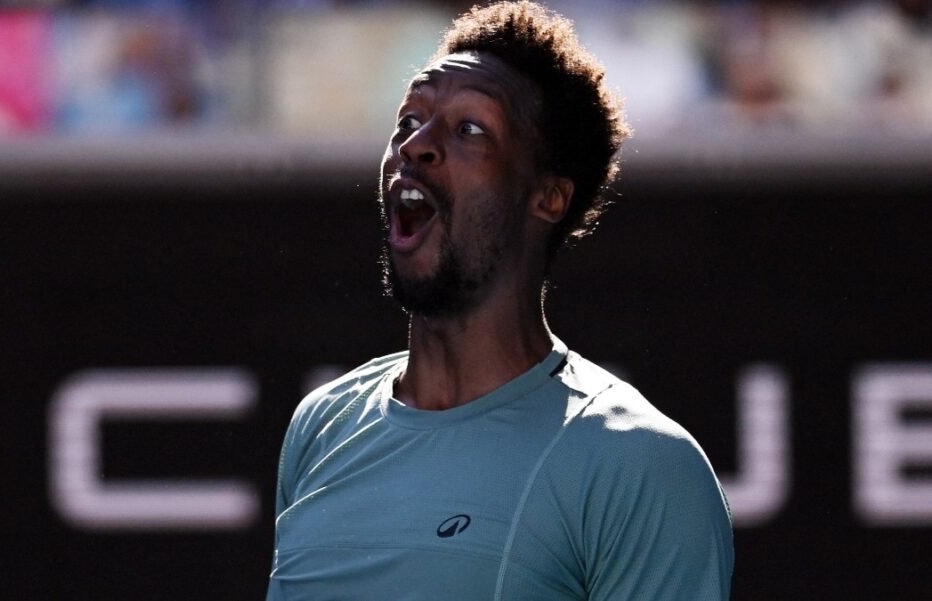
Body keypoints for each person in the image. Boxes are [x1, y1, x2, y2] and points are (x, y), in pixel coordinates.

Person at [267, 2, 733, 599]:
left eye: (469, 130)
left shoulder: (639, 465)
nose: (416, 146)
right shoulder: (321, 427)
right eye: (409, 120)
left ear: (547, 198)